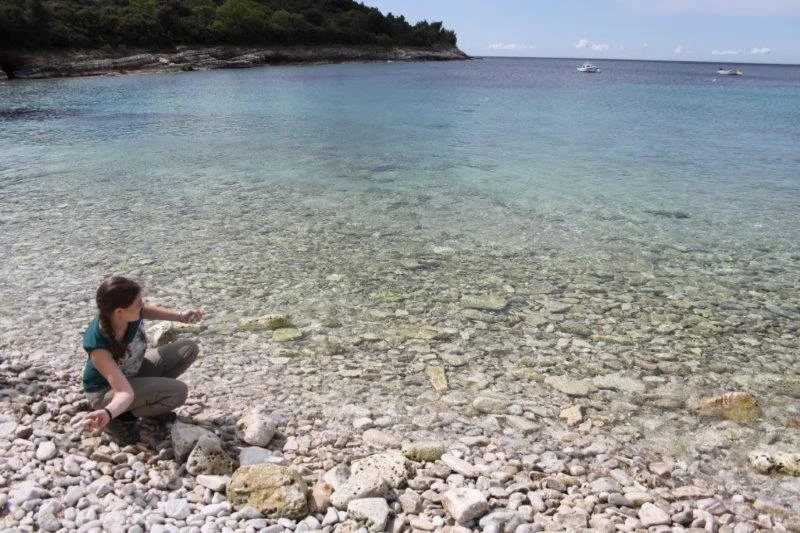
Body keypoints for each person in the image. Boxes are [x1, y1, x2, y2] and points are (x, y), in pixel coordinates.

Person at [79, 276, 203, 445]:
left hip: (132, 372)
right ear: (119, 311)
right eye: (138, 303)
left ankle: (152, 401)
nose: (142, 305)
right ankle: (120, 418)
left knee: (188, 349)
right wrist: (108, 413)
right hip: (107, 393)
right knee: (179, 392)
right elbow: (124, 392)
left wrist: (180, 316)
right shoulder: (98, 344)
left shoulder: (127, 315)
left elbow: (145, 311)